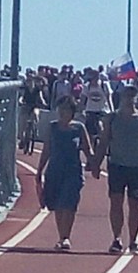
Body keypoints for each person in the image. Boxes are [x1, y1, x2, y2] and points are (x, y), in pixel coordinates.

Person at [93, 85, 138, 255]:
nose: (129, 98)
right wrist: (96, 163)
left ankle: (133, 241)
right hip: (117, 166)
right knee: (116, 202)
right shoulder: (112, 118)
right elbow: (104, 141)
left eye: (133, 95)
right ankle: (116, 239)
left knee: (135, 205)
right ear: (121, 97)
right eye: (127, 95)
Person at [38, 94, 96, 251]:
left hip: (73, 171)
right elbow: (46, 150)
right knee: (57, 205)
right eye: (60, 109)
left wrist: (94, 164)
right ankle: (61, 236)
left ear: (72, 111)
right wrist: (39, 171)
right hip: (55, 171)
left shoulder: (79, 128)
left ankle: (66, 238)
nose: (63, 113)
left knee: (69, 204)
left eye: (66, 109)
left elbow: (87, 149)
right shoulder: (53, 127)